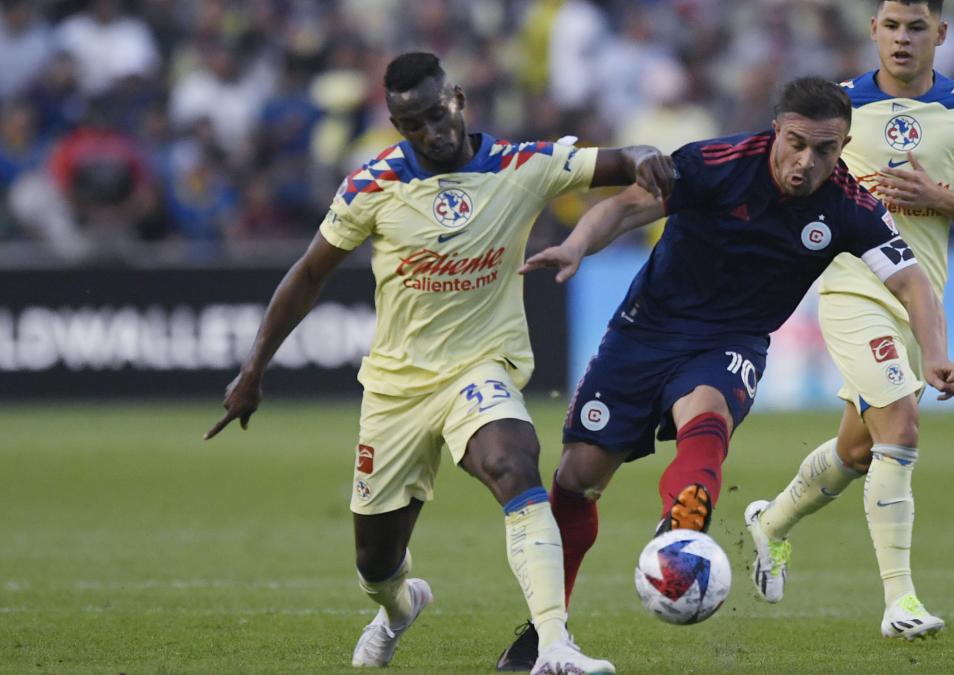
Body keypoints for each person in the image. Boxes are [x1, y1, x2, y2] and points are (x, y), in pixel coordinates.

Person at [203, 52, 676, 673]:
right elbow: (310, 273)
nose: (432, 131)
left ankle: (555, 647)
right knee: (375, 563)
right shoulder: (373, 185)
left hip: (480, 369)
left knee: (514, 464)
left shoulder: (520, 166)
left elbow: (621, 158)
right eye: (413, 124)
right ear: (397, 125)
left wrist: (647, 157)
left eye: (436, 113)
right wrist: (253, 370)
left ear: (456, 98)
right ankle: (400, 608)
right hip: (397, 389)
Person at [496, 76, 954, 671]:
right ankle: (546, 631)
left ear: (844, 145)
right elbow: (625, 207)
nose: (807, 162)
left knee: (708, 410)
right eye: (796, 143)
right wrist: (577, 245)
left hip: (731, 341)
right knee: (578, 477)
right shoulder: (715, 163)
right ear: (777, 129)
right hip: (646, 330)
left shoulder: (850, 206)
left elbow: (913, 282)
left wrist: (935, 353)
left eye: (826, 150)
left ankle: (685, 516)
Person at [745, 0, 954, 641]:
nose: (902, 39)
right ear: (873, 31)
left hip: (920, 295)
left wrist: (936, 197)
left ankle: (771, 523)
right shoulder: (837, 107)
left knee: (860, 449)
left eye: (916, 27)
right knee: (902, 423)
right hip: (850, 287)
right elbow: (787, 175)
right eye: (891, 25)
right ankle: (900, 601)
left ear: (940, 34)